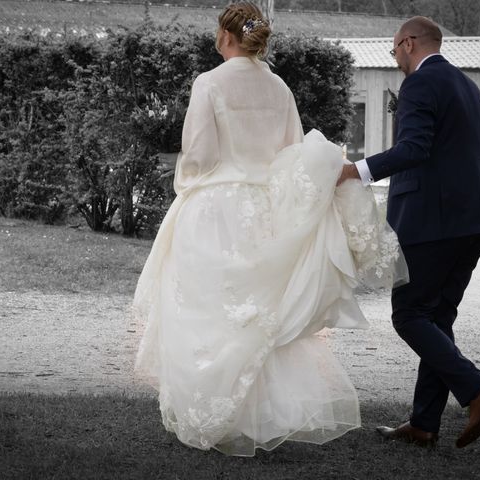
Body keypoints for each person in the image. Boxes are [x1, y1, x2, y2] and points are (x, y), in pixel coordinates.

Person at [133, 2, 405, 456]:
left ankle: (212, 408)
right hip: (262, 208)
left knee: (211, 308)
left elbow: (198, 153)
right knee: (259, 312)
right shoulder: (278, 87)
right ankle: (257, 415)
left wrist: (188, 183)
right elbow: (291, 153)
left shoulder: (209, 83)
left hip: (216, 207)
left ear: (225, 35)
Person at [338, 16, 480, 448]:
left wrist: (354, 171)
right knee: (437, 319)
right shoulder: (468, 87)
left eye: (394, 50)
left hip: (434, 222)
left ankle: (477, 389)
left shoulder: (418, 84)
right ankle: (424, 424)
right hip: (475, 222)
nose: (394, 58)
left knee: (408, 314)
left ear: (409, 43)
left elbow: (414, 148)